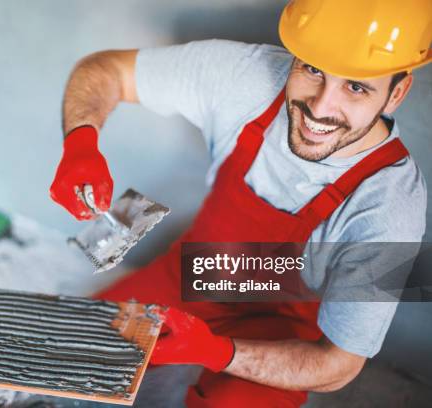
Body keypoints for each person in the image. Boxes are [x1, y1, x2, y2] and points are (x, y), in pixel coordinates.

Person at [50, 0, 431, 406]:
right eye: (313, 69)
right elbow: (107, 69)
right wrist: (81, 141)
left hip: (279, 329)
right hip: (191, 275)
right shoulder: (244, 75)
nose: (319, 108)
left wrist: (215, 351)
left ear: (397, 93)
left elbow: (338, 364)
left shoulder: (391, 210)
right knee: (63, 354)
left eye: (356, 87)